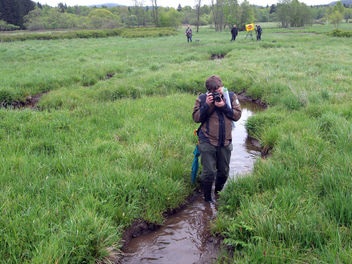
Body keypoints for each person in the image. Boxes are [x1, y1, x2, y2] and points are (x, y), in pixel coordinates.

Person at [192, 75, 242, 203]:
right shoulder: (202, 99)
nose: (216, 92)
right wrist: (207, 105)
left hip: (225, 141)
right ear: (208, 90)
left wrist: (224, 106)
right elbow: (196, 118)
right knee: (208, 173)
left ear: (221, 86)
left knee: (224, 172)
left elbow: (237, 116)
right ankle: (207, 199)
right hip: (207, 140)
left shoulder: (230, 97)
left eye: (218, 89)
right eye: (213, 91)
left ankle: (218, 193)